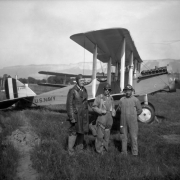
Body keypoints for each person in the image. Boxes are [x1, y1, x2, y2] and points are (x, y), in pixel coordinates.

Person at [66, 74, 89, 156]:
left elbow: (85, 103)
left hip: (83, 116)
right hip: (75, 116)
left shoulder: (85, 90)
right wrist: (71, 117)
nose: (83, 82)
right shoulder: (72, 91)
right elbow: (69, 105)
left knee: (81, 132)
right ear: (77, 81)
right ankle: (70, 151)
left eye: (83, 80)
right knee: (73, 132)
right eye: (81, 80)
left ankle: (79, 149)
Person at [119, 84, 142, 156]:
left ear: (132, 91)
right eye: (126, 90)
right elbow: (119, 109)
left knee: (133, 136)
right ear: (124, 91)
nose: (128, 92)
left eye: (129, 90)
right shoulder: (122, 100)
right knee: (123, 136)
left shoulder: (136, 100)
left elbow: (139, 110)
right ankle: (124, 152)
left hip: (133, 122)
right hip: (123, 121)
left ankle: (134, 152)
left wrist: (133, 115)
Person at [92, 83, 116, 154]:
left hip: (109, 121)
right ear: (103, 90)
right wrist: (101, 111)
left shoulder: (111, 98)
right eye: (106, 89)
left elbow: (113, 107)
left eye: (109, 90)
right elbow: (94, 107)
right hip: (101, 120)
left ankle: (105, 150)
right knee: (99, 137)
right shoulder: (99, 97)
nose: (107, 91)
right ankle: (99, 151)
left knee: (107, 137)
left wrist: (114, 111)